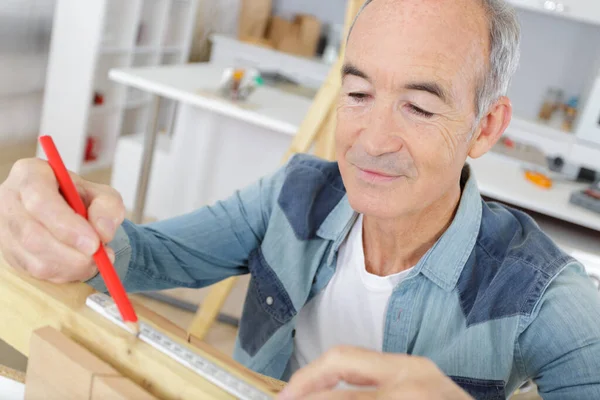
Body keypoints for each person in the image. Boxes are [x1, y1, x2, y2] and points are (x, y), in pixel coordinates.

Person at [0, 0, 599, 398]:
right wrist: (69, 227)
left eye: (418, 106)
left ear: (486, 127)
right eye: (359, 93)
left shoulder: (544, 294)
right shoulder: (295, 194)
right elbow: (150, 257)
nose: (372, 139)